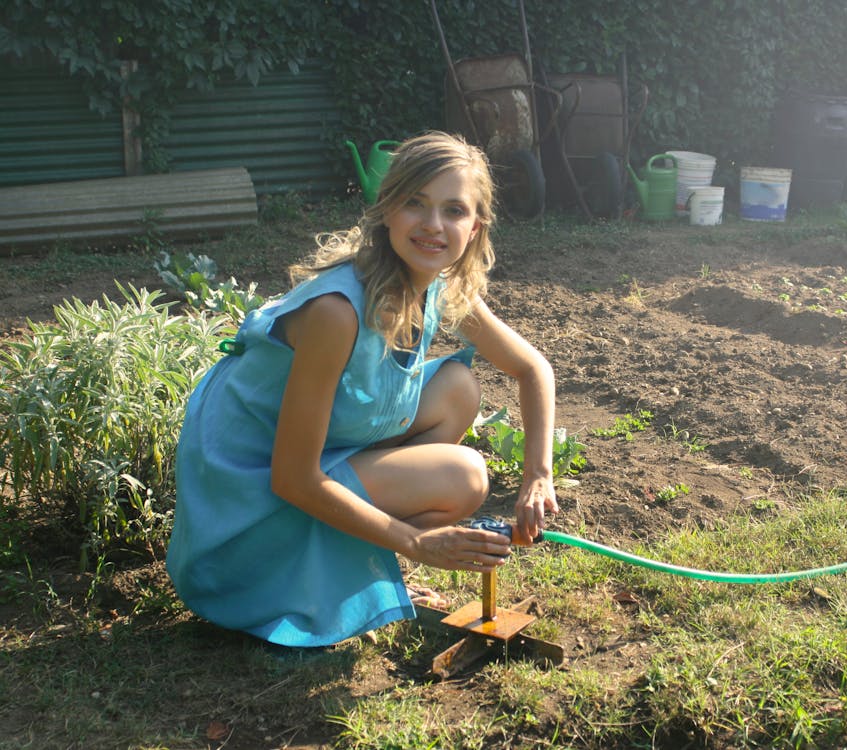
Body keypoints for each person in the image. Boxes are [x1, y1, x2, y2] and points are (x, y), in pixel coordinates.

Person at [166, 131, 558, 647]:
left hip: (305, 468)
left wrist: (539, 477)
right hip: (243, 521)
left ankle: (353, 556)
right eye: (415, 203)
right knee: (464, 474)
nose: (433, 225)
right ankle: (336, 569)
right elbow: (290, 478)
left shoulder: (437, 282)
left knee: (458, 388)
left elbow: (532, 368)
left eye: (453, 210)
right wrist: (417, 543)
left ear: (475, 226)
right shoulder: (337, 312)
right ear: (387, 210)